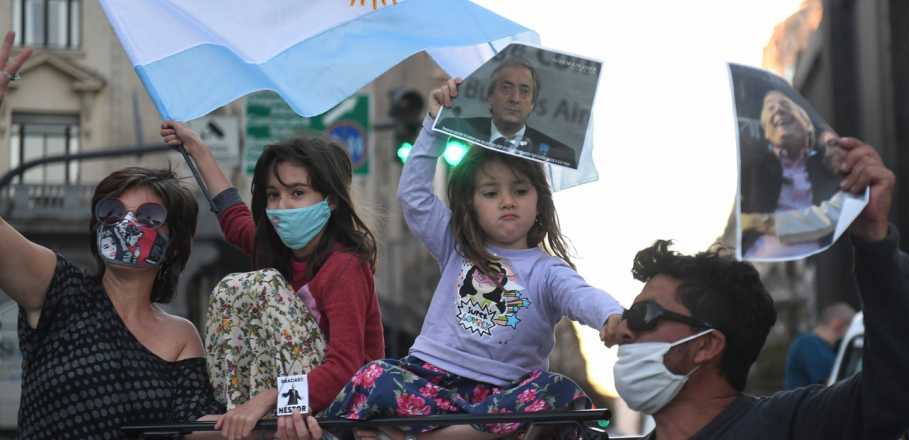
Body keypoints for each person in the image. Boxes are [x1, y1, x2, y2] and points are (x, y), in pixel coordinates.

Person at [326, 78, 622, 440]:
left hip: (501, 397)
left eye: (519, 190)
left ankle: (420, 436)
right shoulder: (457, 244)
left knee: (556, 391)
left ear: (539, 199)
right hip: (430, 385)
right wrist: (434, 123)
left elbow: (583, 296)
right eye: (491, 192)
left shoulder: (548, 272)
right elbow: (415, 196)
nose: (507, 201)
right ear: (471, 205)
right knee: (371, 377)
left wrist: (611, 316)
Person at [610, 136, 909, 439]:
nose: (623, 329)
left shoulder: (792, 425)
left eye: (643, 315)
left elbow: (894, 394)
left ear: (706, 346)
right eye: (628, 314)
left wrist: (873, 241)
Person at [161, 122, 385, 439]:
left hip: (344, 405)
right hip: (287, 402)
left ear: (331, 200)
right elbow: (233, 218)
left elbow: (344, 367)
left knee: (261, 284)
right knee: (231, 287)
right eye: (273, 195)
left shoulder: (344, 265)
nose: (282, 207)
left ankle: (256, 411)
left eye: (297, 193)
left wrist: (269, 400)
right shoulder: (276, 249)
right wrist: (199, 150)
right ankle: (237, 411)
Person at [2, 165, 226, 439]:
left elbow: (195, 424)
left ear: (175, 243)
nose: (126, 223)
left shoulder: (181, 335)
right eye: (112, 211)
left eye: (149, 216)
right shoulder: (59, 290)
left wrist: (260, 419)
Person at [740, 91, 842, 258]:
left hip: (819, 267)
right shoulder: (752, 169)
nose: (778, 110)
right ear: (766, 131)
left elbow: (832, 217)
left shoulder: (829, 163)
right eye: (770, 108)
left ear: (807, 123)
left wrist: (756, 221)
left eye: (785, 105)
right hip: (758, 266)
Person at [436, 57, 578, 168]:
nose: (515, 99)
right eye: (506, 88)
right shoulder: (455, 128)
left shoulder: (560, 153)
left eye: (524, 91)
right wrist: (434, 117)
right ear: (490, 96)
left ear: (533, 104)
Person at [783, 302, 856, 389]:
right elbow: (833, 384)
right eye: (851, 327)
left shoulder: (817, 345)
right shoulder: (809, 344)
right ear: (838, 324)